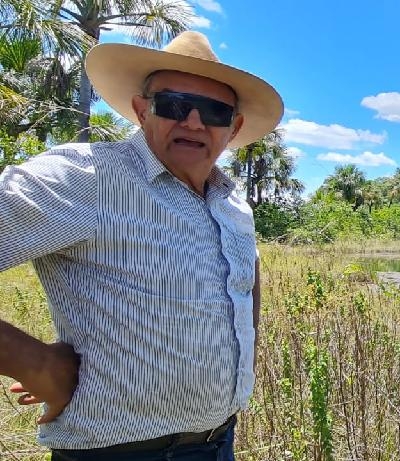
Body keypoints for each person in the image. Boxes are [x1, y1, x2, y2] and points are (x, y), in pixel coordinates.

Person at [0, 30, 283, 460]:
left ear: (234, 127)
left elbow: (246, 287)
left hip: (218, 441)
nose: (192, 121)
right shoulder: (91, 179)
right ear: (141, 110)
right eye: (173, 105)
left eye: (213, 111)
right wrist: (36, 363)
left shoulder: (232, 202)